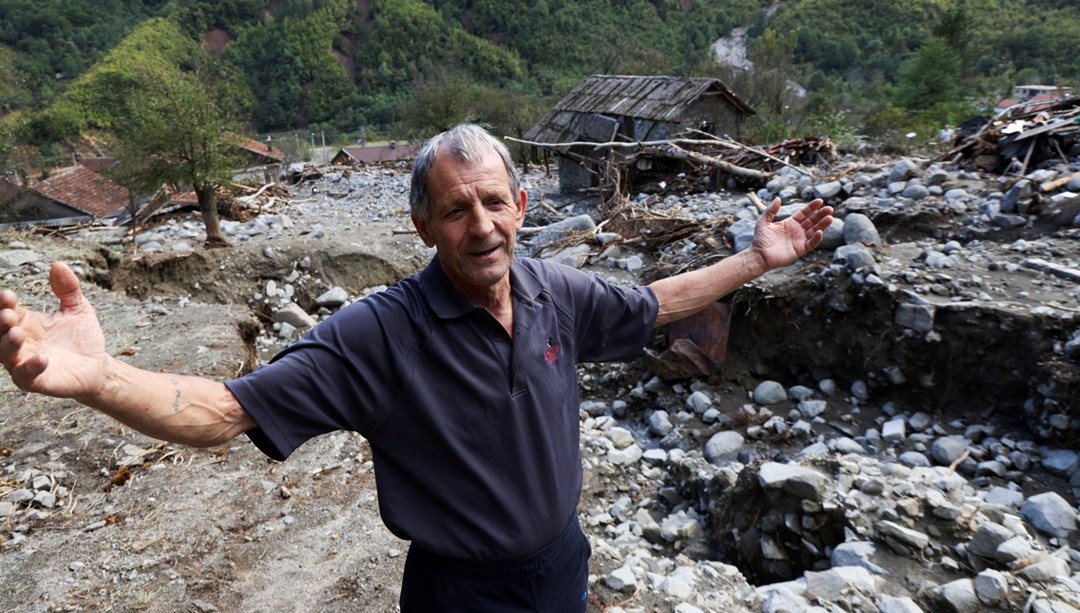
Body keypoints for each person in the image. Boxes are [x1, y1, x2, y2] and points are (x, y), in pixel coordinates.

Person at [0, 124, 832, 612]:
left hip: (561, 567)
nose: (481, 225)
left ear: (522, 208)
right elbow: (222, 411)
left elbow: (654, 303)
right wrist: (101, 379)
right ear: (422, 224)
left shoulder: (556, 291)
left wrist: (756, 259)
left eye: (494, 202)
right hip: (459, 594)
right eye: (455, 208)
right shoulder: (378, 334)